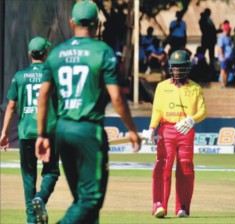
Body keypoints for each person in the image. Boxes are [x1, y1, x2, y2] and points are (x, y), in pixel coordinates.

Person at [35, 2, 141, 223]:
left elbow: (43, 96)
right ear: (98, 25)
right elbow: (117, 97)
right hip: (88, 131)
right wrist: (132, 129)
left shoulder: (56, 53)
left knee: (82, 201)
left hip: (62, 130)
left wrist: (42, 135)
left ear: (71, 23)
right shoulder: (102, 52)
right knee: (90, 200)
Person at [0, 36, 59, 224]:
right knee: (51, 171)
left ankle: (31, 221)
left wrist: (4, 133)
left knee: (28, 177)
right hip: (48, 132)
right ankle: (41, 198)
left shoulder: (19, 76)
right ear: (46, 53)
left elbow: (10, 107)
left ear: (29, 54)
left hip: (25, 133)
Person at [142, 50, 207, 218]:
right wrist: (151, 128)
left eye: (180, 67)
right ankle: (159, 205)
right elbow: (157, 109)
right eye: (175, 67)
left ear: (187, 67)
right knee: (163, 166)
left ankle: (182, 207)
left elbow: (203, 110)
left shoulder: (195, 88)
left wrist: (192, 120)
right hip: (166, 131)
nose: (177, 71)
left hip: (186, 131)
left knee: (185, 167)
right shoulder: (162, 87)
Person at [199, 8, 217, 74]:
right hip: (207, 39)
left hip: (210, 40)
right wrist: (215, 31)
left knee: (210, 54)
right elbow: (208, 30)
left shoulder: (208, 20)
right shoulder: (204, 20)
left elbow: (212, 30)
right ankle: (199, 64)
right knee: (203, 52)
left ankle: (211, 67)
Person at [217, 22, 233, 88]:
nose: (230, 31)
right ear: (225, 30)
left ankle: (226, 82)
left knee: (228, 70)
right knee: (223, 70)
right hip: (224, 57)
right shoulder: (221, 37)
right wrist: (223, 56)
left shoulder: (228, 37)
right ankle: (222, 83)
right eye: (229, 30)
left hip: (229, 57)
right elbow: (220, 47)